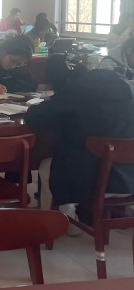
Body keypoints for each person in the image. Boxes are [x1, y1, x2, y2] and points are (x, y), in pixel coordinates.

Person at [25, 55, 134, 220]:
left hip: (95, 183)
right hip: (129, 179)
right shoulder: (127, 89)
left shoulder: (76, 92)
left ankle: (59, 222)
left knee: (47, 166)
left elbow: (35, 117)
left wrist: (51, 100)